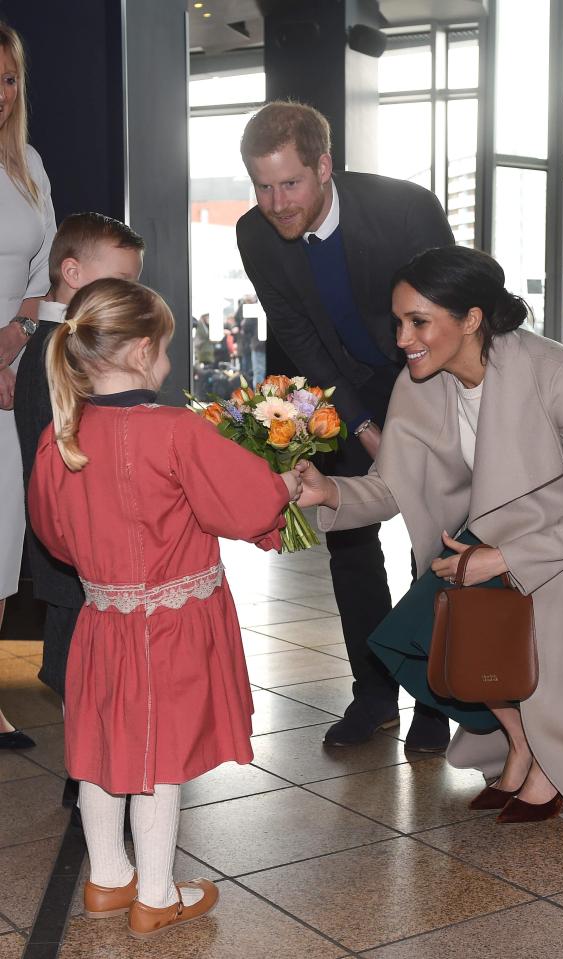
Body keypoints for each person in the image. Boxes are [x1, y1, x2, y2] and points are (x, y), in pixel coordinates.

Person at [298, 245, 563, 823]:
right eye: (399, 322)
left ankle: (554, 761)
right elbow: (392, 485)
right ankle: (524, 745)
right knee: (423, 625)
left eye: (418, 321)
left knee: (541, 630)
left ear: (471, 318)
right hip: (512, 525)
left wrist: (503, 558)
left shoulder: (555, 372)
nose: (402, 338)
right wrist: (329, 492)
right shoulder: (419, 382)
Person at [28, 278, 302, 937]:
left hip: (102, 620)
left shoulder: (58, 435)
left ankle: (107, 876)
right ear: (145, 349)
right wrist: (285, 483)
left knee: (102, 748)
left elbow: (53, 533)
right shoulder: (176, 430)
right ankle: (156, 894)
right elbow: (240, 504)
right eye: (168, 348)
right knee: (158, 757)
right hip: (171, 626)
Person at [237, 100, 455, 750]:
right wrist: (362, 426)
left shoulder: (404, 211)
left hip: (427, 376)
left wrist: (414, 425)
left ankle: (433, 697)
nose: (275, 202)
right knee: (349, 541)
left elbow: (448, 318)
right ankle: (374, 692)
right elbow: (301, 337)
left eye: (290, 183)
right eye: (262, 185)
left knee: (432, 543)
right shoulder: (255, 235)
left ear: (324, 166)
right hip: (345, 387)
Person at [15, 213, 145, 706]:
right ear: (72, 274)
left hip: (75, 541)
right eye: (122, 281)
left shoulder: (63, 345)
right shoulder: (60, 351)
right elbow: (75, 454)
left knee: (90, 668)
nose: (131, 294)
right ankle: (87, 776)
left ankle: (90, 771)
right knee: (82, 670)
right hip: (75, 541)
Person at [0, 21, 55, 749]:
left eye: (9, 78)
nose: (1, 93)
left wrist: (14, 352)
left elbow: (42, 282)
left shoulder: (28, 162)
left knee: (4, 535)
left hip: (10, 376)